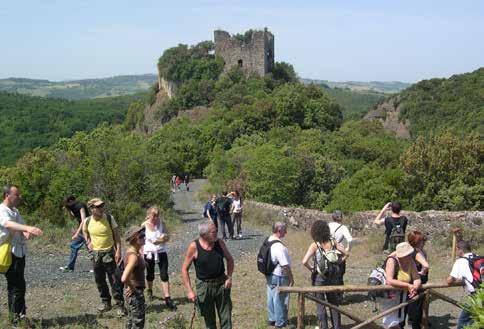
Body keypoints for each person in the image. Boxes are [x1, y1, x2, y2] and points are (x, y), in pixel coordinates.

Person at [0, 185, 43, 324]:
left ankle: (20, 314)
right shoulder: (2, 210)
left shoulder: (15, 211)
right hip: (9, 253)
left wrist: (27, 233)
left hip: (19, 253)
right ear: (7, 195)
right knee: (15, 286)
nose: (19, 197)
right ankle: (15, 320)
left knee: (20, 285)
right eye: (17, 195)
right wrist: (27, 228)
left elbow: (21, 226)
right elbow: (7, 224)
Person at [181, 221, 234, 329]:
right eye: (214, 232)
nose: (217, 234)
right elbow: (184, 269)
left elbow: (230, 259)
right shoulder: (194, 246)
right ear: (204, 234)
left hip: (221, 284)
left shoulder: (219, 243)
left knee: (226, 318)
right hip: (204, 287)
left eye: (216, 231)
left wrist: (229, 277)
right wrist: (190, 291)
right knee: (209, 320)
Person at [82, 198, 125, 314]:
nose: (101, 208)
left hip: (110, 254)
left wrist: (118, 251)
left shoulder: (109, 219)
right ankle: (106, 303)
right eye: (98, 207)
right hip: (96, 255)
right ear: (91, 209)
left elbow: (117, 236)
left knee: (115, 281)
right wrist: (88, 242)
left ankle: (120, 305)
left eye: (102, 206)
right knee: (99, 280)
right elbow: (84, 232)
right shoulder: (87, 221)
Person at [302, 220, 346, 329]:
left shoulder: (314, 245)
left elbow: (304, 261)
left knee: (320, 305)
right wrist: (339, 262)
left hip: (319, 278)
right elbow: (346, 253)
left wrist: (312, 269)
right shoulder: (333, 242)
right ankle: (337, 326)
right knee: (333, 303)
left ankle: (324, 327)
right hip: (333, 277)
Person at [141, 206, 176, 310]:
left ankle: (167, 298)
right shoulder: (144, 225)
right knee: (150, 274)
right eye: (153, 215)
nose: (155, 218)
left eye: (157, 215)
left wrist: (160, 241)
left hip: (161, 252)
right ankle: (150, 291)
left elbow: (168, 236)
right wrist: (140, 251)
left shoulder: (162, 223)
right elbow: (140, 239)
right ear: (149, 215)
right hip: (149, 253)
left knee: (164, 274)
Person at [382, 242, 421, 329]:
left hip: (403, 297)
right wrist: (408, 285)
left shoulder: (410, 261)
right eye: (407, 254)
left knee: (399, 321)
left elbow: (417, 278)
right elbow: (390, 280)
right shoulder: (392, 260)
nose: (410, 256)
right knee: (391, 323)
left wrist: (414, 287)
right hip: (390, 296)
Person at [266, 222, 294, 328]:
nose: (286, 232)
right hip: (279, 276)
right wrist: (291, 278)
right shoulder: (279, 246)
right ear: (279, 231)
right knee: (280, 299)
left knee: (271, 297)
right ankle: (280, 322)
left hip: (270, 274)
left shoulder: (268, 240)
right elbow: (285, 265)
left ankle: (272, 319)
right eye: (284, 230)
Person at [447, 241, 476, 329]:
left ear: (459, 249)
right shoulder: (478, 257)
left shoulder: (460, 261)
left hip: (476, 296)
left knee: (462, 323)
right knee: (476, 319)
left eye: (456, 250)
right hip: (481, 291)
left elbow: (449, 280)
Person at [122, 226, 146, 329]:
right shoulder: (133, 256)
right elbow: (124, 278)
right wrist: (132, 288)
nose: (144, 237)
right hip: (135, 292)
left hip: (132, 292)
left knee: (131, 321)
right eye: (142, 236)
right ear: (135, 239)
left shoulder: (133, 252)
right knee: (137, 323)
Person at [59, 195, 90, 272]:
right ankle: (70, 267)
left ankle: (99, 267)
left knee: (91, 248)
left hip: (88, 229)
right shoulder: (72, 207)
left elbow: (84, 220)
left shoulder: (80, 206)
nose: (67, 205)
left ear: (71, 201)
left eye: (67, 203)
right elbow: (72, 218)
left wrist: (77, 233)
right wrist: (68, 211)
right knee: (75, 246)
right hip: (82, 230)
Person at [406, 231, 430, 329]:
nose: (423, 242)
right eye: (422, 240)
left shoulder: (409, 250)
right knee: (416, 303)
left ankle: (415, 320)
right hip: (417, 280)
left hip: (413, 279)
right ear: (418, 242)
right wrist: (422, 272)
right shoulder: (417, 252)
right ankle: (416, 323)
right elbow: (426, 265)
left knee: (415, 301)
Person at [329, 210, 352, 285]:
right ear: (341, 218)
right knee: (339, 276)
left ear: (333, 217)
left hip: (328, 253)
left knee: (328, 275)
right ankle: (339, 295)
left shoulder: (327, 225)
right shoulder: (343, 228)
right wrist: (347, 250)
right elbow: (350, 240)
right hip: (339, 254)